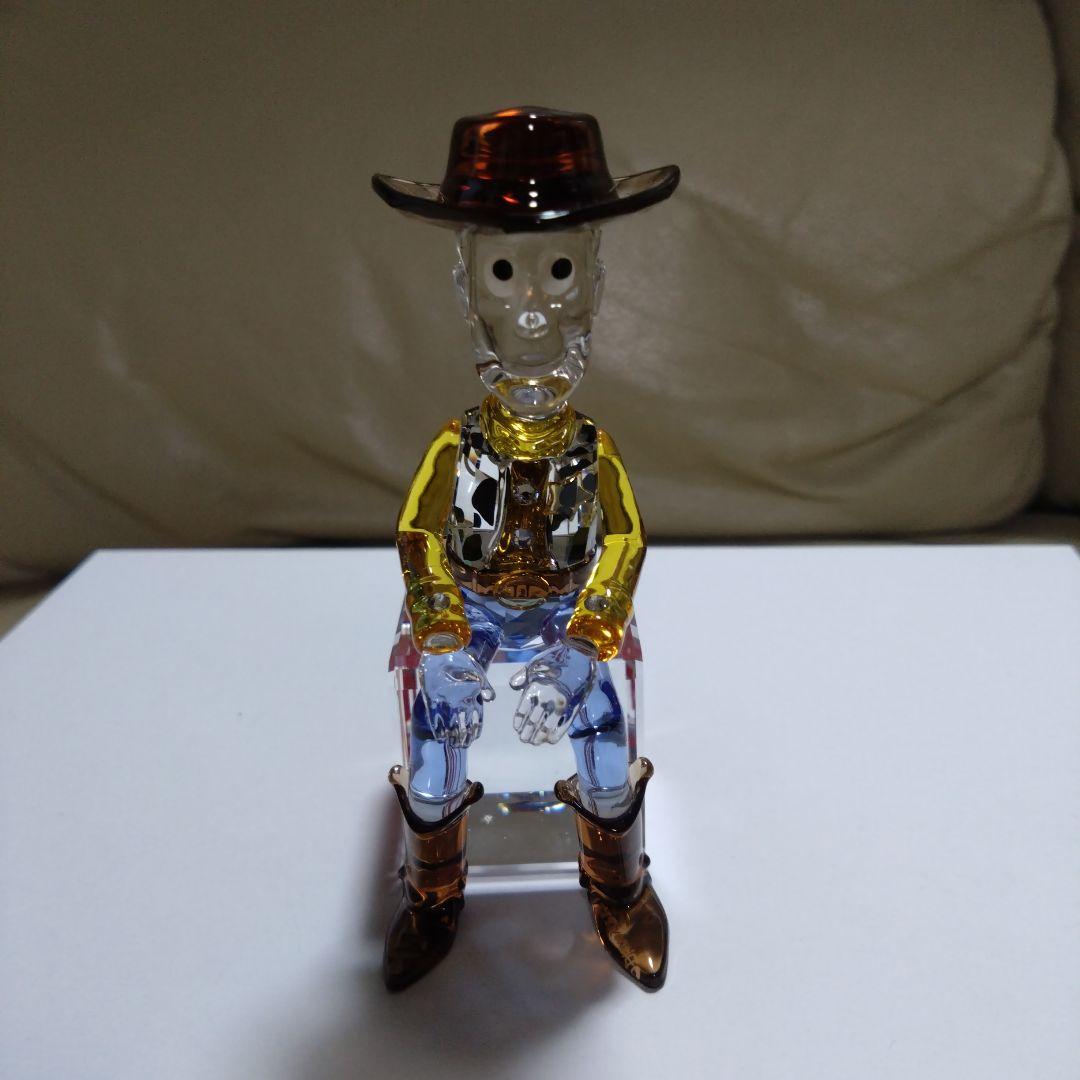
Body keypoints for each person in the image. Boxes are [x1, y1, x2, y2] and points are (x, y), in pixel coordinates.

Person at [372, 106, 679, 992]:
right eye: (505, 273)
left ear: (594, 285)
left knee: (605, 734)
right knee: (434, 736)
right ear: (468, 287)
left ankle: (618, 888)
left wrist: (584, 646)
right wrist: (441, 640)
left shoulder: (594, 449)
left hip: (565, 611)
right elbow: (420, 533)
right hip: (470, 610)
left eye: (559, 271)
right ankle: (432, 893)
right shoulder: (456, 444)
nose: (533, 313)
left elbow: (624, 540)